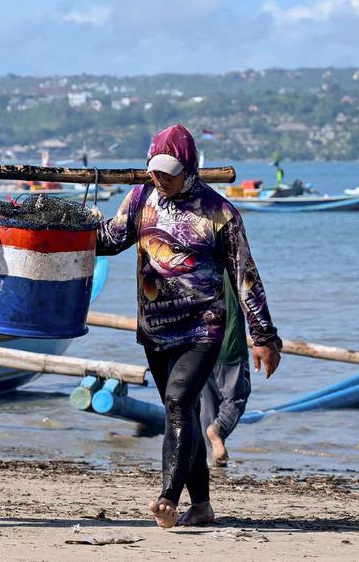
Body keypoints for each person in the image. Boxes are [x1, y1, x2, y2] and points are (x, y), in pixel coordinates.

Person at [96, 124, 282, 529]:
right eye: (155, 170)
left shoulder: (220, 213)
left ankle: (167, 498)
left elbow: (244, 275)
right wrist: (63, 231)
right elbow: (110, 239)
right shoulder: (141, 197)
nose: (160, 179)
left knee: (179, 402)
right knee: (181, 412)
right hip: (155, 328)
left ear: (190, 169)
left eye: (168, 172)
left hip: (203, 327)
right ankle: (202, 506)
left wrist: (264, 335)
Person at [200, 274, 251, 466]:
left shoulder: (199, 262)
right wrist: (268, 334)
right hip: (230, 346)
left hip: (201, 345)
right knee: (237, 397)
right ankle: (218, 430)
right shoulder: (233, 268)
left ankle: (212, 460)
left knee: (208, 402)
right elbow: (252, 301)